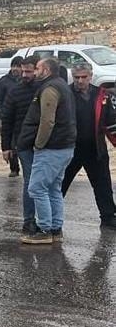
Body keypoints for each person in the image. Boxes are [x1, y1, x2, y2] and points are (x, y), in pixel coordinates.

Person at [16, 58, 76, 244]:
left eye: (38, 68)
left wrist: (39, 144)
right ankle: (56, 228)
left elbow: (47, 120)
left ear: (47, 70)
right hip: (64, 146)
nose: (35, 71)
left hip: (52, 148)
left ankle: (44, 230)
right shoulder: (62, 85)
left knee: (36, 188)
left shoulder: (50, 89)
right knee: (53, 188)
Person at [61, 63, 116, 229]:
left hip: (95, 148)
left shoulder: (102, 95)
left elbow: (112, 120)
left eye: (84, 77)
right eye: (77, 77)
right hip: (70, 149)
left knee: (103, 185)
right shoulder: (65, 93)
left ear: (90, 76)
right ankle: (48, 219)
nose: (80, 81)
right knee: (60, 185)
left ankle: (108, 218)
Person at [0, 56, 40, 234]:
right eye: (23, 71)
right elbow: (7, 121)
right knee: (30, 182)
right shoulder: (15, 91)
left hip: (46, 144)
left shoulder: (45, 89)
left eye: (29, 71)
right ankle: (29, 220)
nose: (25, 75)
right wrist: (6, 147)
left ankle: (49, 221)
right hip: (24, 144)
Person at [0, 56, 24, 177]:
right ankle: (14, 168)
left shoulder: (27, 80)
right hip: (9, 119)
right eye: (14, 66)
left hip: (23, 119)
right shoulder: (3, 81)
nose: (15, 69)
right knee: (10, 144)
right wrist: (3, 115)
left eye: (18, 66)